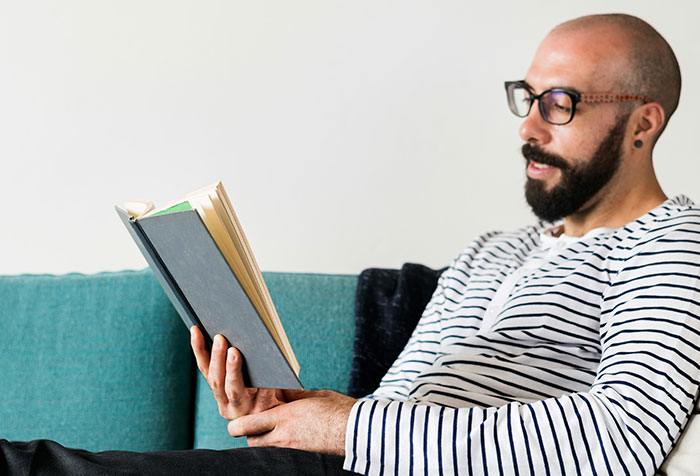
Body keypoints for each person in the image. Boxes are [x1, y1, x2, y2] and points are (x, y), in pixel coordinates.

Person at [2, 12, 698, 476]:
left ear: (643, 122)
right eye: (528, 97)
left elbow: (622, 434)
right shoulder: (494, 249)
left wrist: (351, 430)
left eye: (561, 104)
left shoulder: (675, 244)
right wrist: (285, 415)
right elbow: (393, 412)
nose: (528, 129)